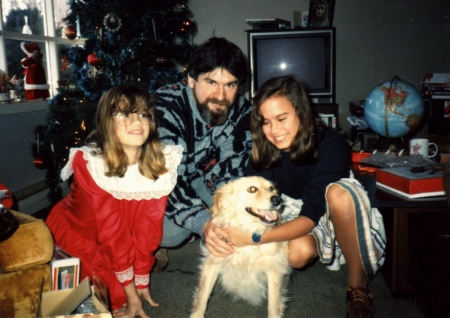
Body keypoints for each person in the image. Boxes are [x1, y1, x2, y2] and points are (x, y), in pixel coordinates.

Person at [216, 76, 386, 318]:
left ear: (301, 112)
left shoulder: (331, 143)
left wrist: (253, 238)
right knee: (296, 254)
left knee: (338, 193)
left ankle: (358, 286)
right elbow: (250, 200)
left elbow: (311, 214)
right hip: (292, 208)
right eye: (265, 122)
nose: (274, 131)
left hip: (335, 207)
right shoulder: (263, 152)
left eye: (282, 119)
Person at [46, 85, 183, 317]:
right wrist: (130, 293)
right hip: (82, 233)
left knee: (125, 292)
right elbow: (110, 232)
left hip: (117, 237)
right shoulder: (90, 163)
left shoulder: (162, 161)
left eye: (143, 114)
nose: (136, 121)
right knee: (108, 299)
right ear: (106, 122)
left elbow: (148, 227)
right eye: (123, 114)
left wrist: (141, 282)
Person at [154, 37, 252, 269]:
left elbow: (232, 171)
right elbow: (164, 179)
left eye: (230, 85)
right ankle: (148, 241)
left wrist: (230, 216)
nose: (220, 95)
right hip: (156, 181)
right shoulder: (165, 107)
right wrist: (205, 223)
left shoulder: (241, 111)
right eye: (211, 82)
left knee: (239, 216)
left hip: (198, 176)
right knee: (172, 234)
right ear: (191, 79)